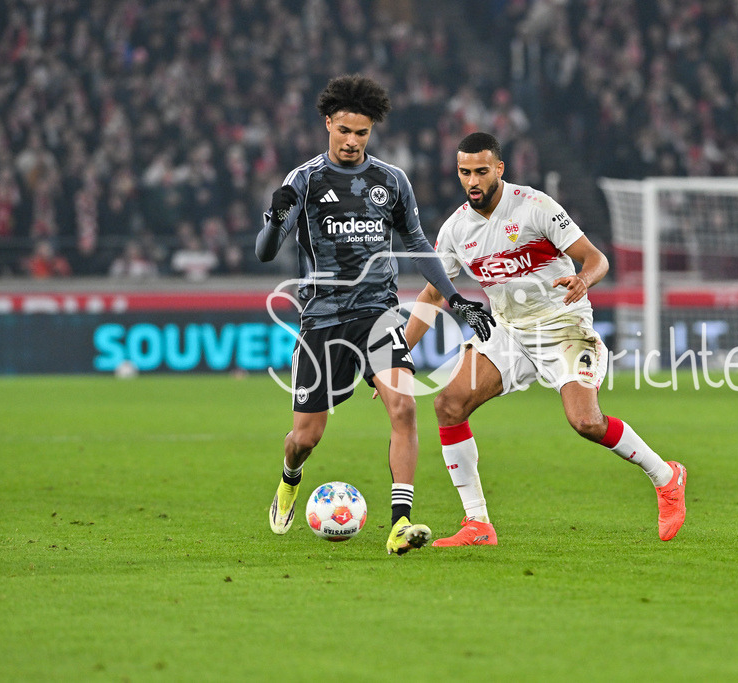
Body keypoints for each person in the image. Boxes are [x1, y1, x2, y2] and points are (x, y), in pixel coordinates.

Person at [402, 132, 687, 546]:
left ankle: (665, 476)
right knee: (449, 405)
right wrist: (399, 353)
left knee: (586, 422)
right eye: (465, 172)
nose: (473, 181)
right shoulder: (455, 230)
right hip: (508, 331)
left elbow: (596, 258)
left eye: (481, 171)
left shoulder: (535, 206)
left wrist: (583, 279)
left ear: (499, 169)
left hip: (562, 324)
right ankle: (477, 523)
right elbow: (431, 296)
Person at [255, 75, 494, 555]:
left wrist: (456, 299)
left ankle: (400, 523)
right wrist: (276, 218)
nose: (352, 141)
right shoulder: (304, 180)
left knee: (404, 407)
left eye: (361, 133)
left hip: (379, 315)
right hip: (322, 321)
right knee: (305, 437)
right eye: (344, 130)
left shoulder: (391, 180)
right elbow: (265, 252)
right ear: (328, 124)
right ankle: (289, 478)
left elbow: (418, 245)